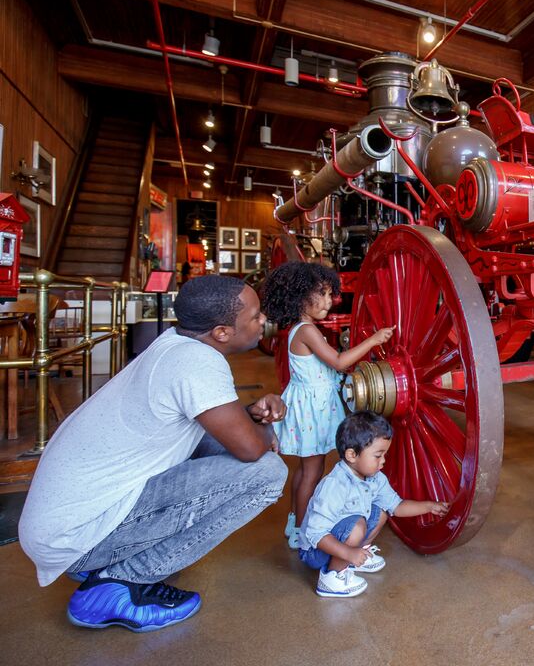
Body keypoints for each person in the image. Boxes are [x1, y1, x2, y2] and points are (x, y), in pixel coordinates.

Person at [18, 275, 288, 633]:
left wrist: (251, 413)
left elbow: (226, 435)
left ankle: (111, 559)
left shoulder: (175, 342)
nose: (262, 321)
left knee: (219, 446)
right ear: (222, 332)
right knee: (268, 474)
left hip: (58, 527)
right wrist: (262, 426)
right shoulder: (198, 363)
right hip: (73, 537)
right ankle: (119, 582)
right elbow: (253, 450)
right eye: (255, 316)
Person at [260, 261, 394, 549]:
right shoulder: (306, 330)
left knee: (305, 470)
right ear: (300, 297)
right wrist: (373, 340)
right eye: (322, 293)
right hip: (313, 410)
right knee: (313, 471)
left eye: (330, 293)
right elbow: (338, 362)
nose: (329, 300)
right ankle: (304, 531)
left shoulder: (300, 328)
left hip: (311, 405)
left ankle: (295, 521)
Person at [298, 410, 449, 597]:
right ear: (352, 455)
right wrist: (348, 552)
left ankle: (357, 556)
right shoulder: (335, 485)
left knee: (382, 511)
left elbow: (396, 506)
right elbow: (315, 533)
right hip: (315, 551)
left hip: (340, 540)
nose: (383, 461)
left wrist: (428, 506)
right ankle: (332, 577)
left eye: (384, 455)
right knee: (356, 526)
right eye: (378, 456)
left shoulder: (375, 478)